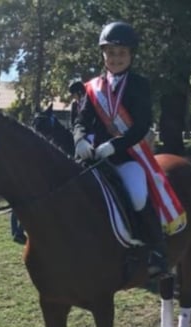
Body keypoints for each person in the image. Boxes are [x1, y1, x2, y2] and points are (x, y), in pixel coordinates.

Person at [72, 21, 169, 277]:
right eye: (111, 53)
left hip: (127, 156)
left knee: (137, 195)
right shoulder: (93, 87)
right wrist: (80, 140)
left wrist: (114, 146)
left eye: (121, 53)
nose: (116, 58)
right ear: (103, 54)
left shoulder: (139, 84)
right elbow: (81, 121)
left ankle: (155, 249)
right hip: (94, 157)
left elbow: (141, 126)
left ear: (131, 55)